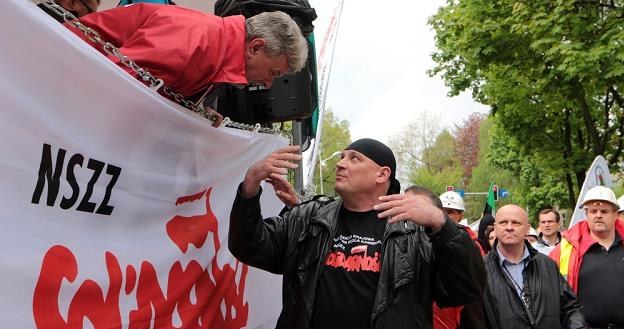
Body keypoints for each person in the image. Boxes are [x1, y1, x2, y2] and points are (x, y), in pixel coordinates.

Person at [229, 138, 486, 329]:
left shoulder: (413, 231)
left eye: (354, 158)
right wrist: (249, 188)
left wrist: (441, 223)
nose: (340, 164)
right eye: (342, 157)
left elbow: (465, 289)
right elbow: (249, 246)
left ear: (382, 174)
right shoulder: (308, 218)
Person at [64, 4, 308, 126]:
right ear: (255, 47)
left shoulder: (214, 46)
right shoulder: (196, 40)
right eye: (273, 73)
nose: (267, 83)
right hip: (58, 78)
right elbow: (113, 88)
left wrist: (193, 112)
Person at [482, 204, 586, 329]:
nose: (509, 227)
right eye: (503, 222)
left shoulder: (547, 265)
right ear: (495, 228)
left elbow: (569, 308)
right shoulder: (481, 270)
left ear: (527, 228)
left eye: (516, 223)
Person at [550, 186, 624, 329]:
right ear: (586, 214)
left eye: (604, 211)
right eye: (593, 211)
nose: (598, 215)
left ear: (615, 214)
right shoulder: (566, 249)